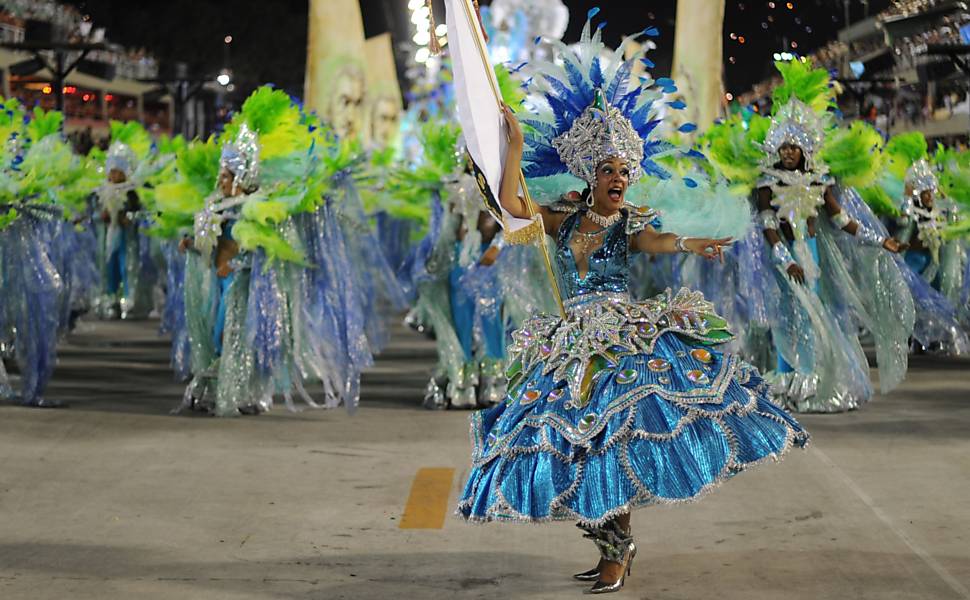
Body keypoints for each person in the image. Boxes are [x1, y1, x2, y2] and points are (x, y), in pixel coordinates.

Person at [455, 20, 808, 594]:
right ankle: (608, 549)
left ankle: (619, 554)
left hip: (621, 341)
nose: (619, 178)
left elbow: (659, 242)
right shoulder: (561, 218)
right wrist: (513, 147)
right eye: (609, 171)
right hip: (570, 345)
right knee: (574, 451)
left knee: (613, 446)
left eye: (625, 171)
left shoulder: (626, 223)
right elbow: (512, 202)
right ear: (589, 176)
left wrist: (694, 243)